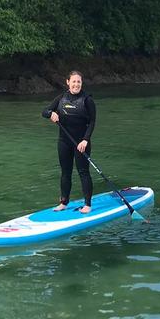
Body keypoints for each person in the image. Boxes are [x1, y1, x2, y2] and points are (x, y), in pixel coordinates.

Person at [42, 71, 95, 213]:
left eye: (79, 82)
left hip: (81, 143)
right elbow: (44, 111)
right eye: (74, 81)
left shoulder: (87, 100)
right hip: (64, 142)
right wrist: (51, 114)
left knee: (83, 172)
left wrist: (85, 140)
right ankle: (64, 202)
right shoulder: (61, 98)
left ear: (81, 83)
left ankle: (88, 205)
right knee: (65, 173)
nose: (76, 84)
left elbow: (92, 122)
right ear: (68, 82)